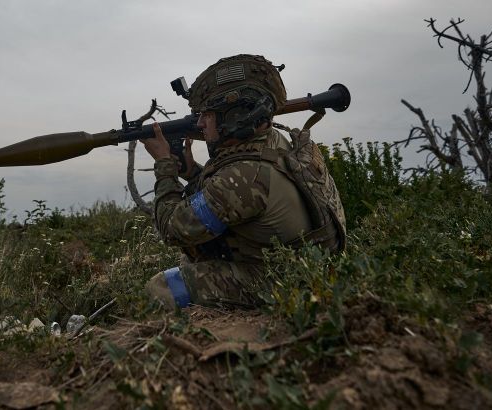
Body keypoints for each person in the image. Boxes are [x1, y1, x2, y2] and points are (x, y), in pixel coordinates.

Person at [141, 54, 345, 309]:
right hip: (307, 267)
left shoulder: (246, 176)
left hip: (285, 284)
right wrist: (193, 173)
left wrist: (164, 166)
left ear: (234, 116)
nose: (201, 123)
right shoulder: (275, 142)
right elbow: (230, 197)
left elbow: (174, 229)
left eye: (208, 114)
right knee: (193, 262)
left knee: (163, 288)